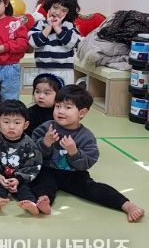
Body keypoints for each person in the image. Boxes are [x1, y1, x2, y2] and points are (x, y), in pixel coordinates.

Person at [31, 85, 144, 222]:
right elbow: (33, 153)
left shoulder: (86, 136)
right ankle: (45, 201)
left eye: (68, 107)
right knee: (41, 183)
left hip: (74, 174)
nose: (60, 111)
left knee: (93, 189)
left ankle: (126, 205)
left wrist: (74, 152)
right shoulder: (47, 127)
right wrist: (46, 142)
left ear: (82, 112)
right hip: (48, 170)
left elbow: (88, 162)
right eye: (58, 106)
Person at [0, 100, 43, 215]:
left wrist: (18, 179)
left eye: (17, 123)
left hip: (20, 178)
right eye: (6, 122)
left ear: (25, 125)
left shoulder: (29, 144)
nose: (11, 126)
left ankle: (31, 203)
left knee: (25, 189)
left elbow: (34, 165)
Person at [28, 0, 81, 86]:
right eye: (55, 7)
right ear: (49, 5)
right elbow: (33, 43)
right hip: (43, 70)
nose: (57, 12)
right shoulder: (40, 24)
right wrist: (49, 27)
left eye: (64, 10)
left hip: (65, 71)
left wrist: (57, 28)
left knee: (64, 95)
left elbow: (72, 43)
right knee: (43, 94)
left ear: (68, 13)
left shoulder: (69, 26)